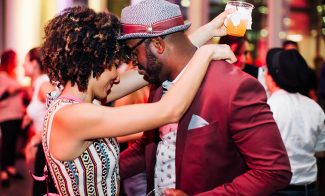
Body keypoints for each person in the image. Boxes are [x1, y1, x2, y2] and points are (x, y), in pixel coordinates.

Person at [41, 6, 236, 195]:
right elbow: (170, 110)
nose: (117, 75)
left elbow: (162, 61)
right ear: (95, 63)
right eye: (113, 64)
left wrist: (210, 29)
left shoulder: (76, 101)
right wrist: (206, 54)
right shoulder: (74, 116)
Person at [118, 0, 292, 195]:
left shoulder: (235, 87)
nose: (133, 62)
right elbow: (150, 147)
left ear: (158, 44)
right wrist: (103, 171)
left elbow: (274, 171)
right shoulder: (159, 85)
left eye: (133, 52)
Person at [265, 48, 325, 196]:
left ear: (271, 76)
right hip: (310, 188)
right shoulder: (314, 107)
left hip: (280, 189)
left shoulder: (269, 107)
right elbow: (320, 151)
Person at [22, 47, 56, 196]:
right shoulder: (38, 85)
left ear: (34, 64)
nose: (22, 65)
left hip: (49, 150)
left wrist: (35, 139)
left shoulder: (44, 85)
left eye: (25, 61)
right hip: (43, 148)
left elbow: (59, 114)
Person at [0, 50, 26, 187]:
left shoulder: (12, 76)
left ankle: (10, 167)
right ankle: (3, 171)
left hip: (16, 115)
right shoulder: (2, 76)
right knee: (7, 144)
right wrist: (10, 92)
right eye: (15, 58)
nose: (17, 61)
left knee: (12, 143)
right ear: (9, 59)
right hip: (6, 116)